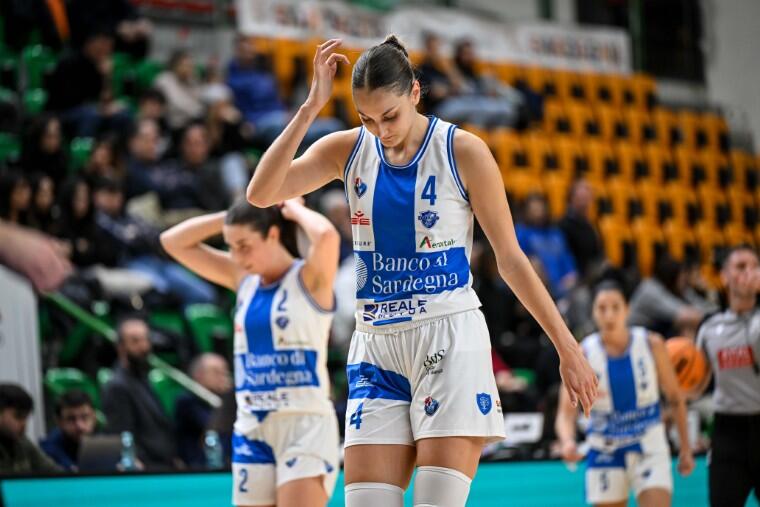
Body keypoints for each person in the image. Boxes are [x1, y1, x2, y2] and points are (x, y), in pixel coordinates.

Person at [245, 35, 597, 507]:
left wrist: (567, 348)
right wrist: (311, 108)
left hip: (447, 337)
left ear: (414, 91)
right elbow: (261, 193)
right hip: (376, 344)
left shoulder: (463, 150)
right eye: (367, 119)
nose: (381, 130)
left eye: (389, 116)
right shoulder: (348, 149)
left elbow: (511, 259)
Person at [160, 198, 341, 506]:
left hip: (303, 426)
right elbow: (172, 241)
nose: (237, 256)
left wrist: (292, 209)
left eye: (244, 246)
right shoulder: (243, 278)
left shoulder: (309, 278)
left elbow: (327, 236)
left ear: (273, 234)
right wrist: (233, 217)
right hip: (252, 426)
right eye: (231, 247)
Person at [555, 281, 695, 507]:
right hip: (604, 450)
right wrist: (568, 441)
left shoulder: (652, 344)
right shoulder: (582, 353)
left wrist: (686, 449)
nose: (609, 315)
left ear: (627, 309)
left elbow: (675, 397)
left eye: (615, 307)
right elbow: (565, 414)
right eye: (602, 308)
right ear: (593, 312)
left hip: (649, 446)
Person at [695, 245, 760, 506]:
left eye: (754, 266)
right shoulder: (710, 328)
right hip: (728, 431)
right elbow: (697, 386)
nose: (749, 273)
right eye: (741, 267)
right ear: (724, 276)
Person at [101, 315, 178, 470]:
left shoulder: (141, 378)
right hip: (147, 470)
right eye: (135, 341)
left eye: (146, 340)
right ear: (121, 347)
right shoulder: (118, 387)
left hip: (164, 465)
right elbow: (122, 436)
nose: (144, 347)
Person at [175, 353, 232, 468]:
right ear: (199, 375)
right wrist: (229, 397)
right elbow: (215, 427)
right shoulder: (187, 401)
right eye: (216, 372)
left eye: (225, 372)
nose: (224, 377)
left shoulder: (223, 399)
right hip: (197, 469)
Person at [0, 383, 61, 474]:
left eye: (25, 418)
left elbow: (54, 472)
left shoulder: (22, 442)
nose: (24, 424)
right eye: (18, 416)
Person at [40, 390, 98, 471]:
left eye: (84, 417)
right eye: (71, 419)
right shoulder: (48, 449)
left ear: (94, 418)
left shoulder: (105, 443)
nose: (79, 426)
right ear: (59, 422)